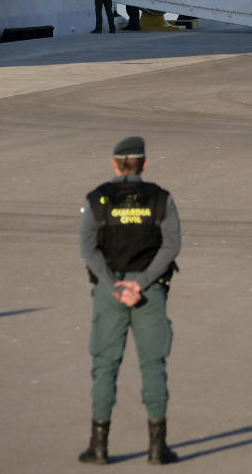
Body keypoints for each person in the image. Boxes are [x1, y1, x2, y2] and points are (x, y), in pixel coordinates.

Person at [77, 136, 180, 466]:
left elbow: (88, 248)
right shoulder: (161, 199)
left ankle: (98, 446)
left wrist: (115, 285)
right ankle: (156, 448)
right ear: (144, 164)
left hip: (111, 294)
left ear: (114, 164)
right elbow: (171, 246)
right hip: (149, 292)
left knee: (105, 365)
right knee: (153, 365)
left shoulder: (98, 199)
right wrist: (141, 283)